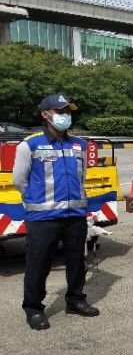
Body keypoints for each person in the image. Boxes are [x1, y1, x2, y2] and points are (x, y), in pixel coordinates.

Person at [12, 94, 100, 330]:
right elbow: (19, 180)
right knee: (38, 265)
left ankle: (75, 299)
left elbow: (80, 178)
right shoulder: (29, 145)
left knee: (76, 262)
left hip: (75, 216)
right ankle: (33, 308)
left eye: (68, 112)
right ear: (45, 114)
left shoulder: (79, 145)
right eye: (60, 111)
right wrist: (37, 199)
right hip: (43, 217)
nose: (65, 116)